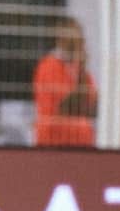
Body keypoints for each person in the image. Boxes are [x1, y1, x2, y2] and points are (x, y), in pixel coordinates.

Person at [33, 18, 98, 147]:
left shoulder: (79, 69)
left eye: (79, 40)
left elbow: (92, 107)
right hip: (53, 139)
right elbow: (65, 107)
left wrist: (81, 69)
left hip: (80, 140)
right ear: (61, 40)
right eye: (73, 41)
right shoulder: (49, 66)